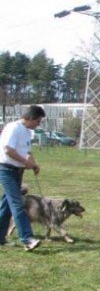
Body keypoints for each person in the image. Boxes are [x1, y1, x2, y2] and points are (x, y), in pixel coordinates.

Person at [0, 105, 46, 251]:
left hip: (18, 171)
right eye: (38, 121)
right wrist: (25, 162)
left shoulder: (27, 132)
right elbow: (8, 149)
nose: (39, 124)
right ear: (31, 118)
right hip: (6, 169)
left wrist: (33, 164)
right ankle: (27, 239)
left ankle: (0, 237)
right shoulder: (13, 128)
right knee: (17, 204)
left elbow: (27, 151)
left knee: (6, 206)